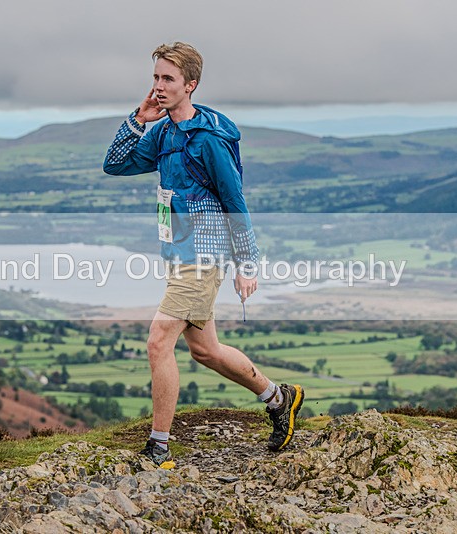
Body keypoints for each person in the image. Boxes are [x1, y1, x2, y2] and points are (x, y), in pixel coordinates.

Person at [103, 42, 303, 465]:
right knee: (205, 350)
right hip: (177, 253)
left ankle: (158, 445)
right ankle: (277, 397)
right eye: (155, 77)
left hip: (204, 254)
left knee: (158, 342)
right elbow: (114, 164)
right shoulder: (162, 133)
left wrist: (247, 263)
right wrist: (139, 119)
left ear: (190, 85)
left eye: (168, 79)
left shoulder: (209, 140)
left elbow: (235, 199)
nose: (158, 86)